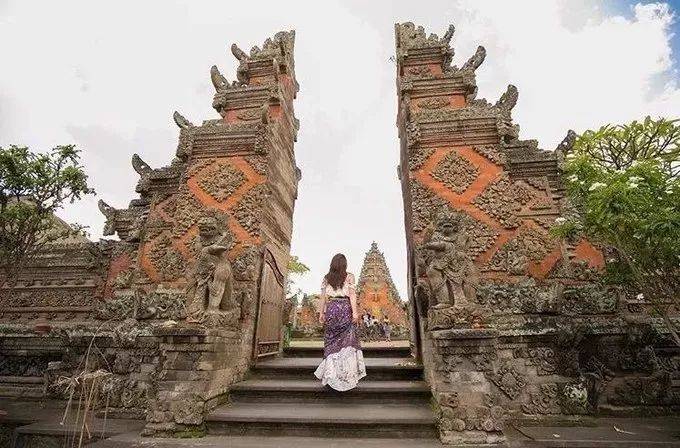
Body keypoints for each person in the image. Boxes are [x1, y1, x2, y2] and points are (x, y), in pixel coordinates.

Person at [314, 253, 367, 391]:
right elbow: (352, 296)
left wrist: (321, 313)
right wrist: (355, 313)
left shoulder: (327, 278)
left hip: (332, 309)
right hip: (345, 309)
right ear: (344, 264)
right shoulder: (349, 276)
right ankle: (346, 375)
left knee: (331, 343)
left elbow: (323, 297)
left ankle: (331, 375)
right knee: (347, 343)